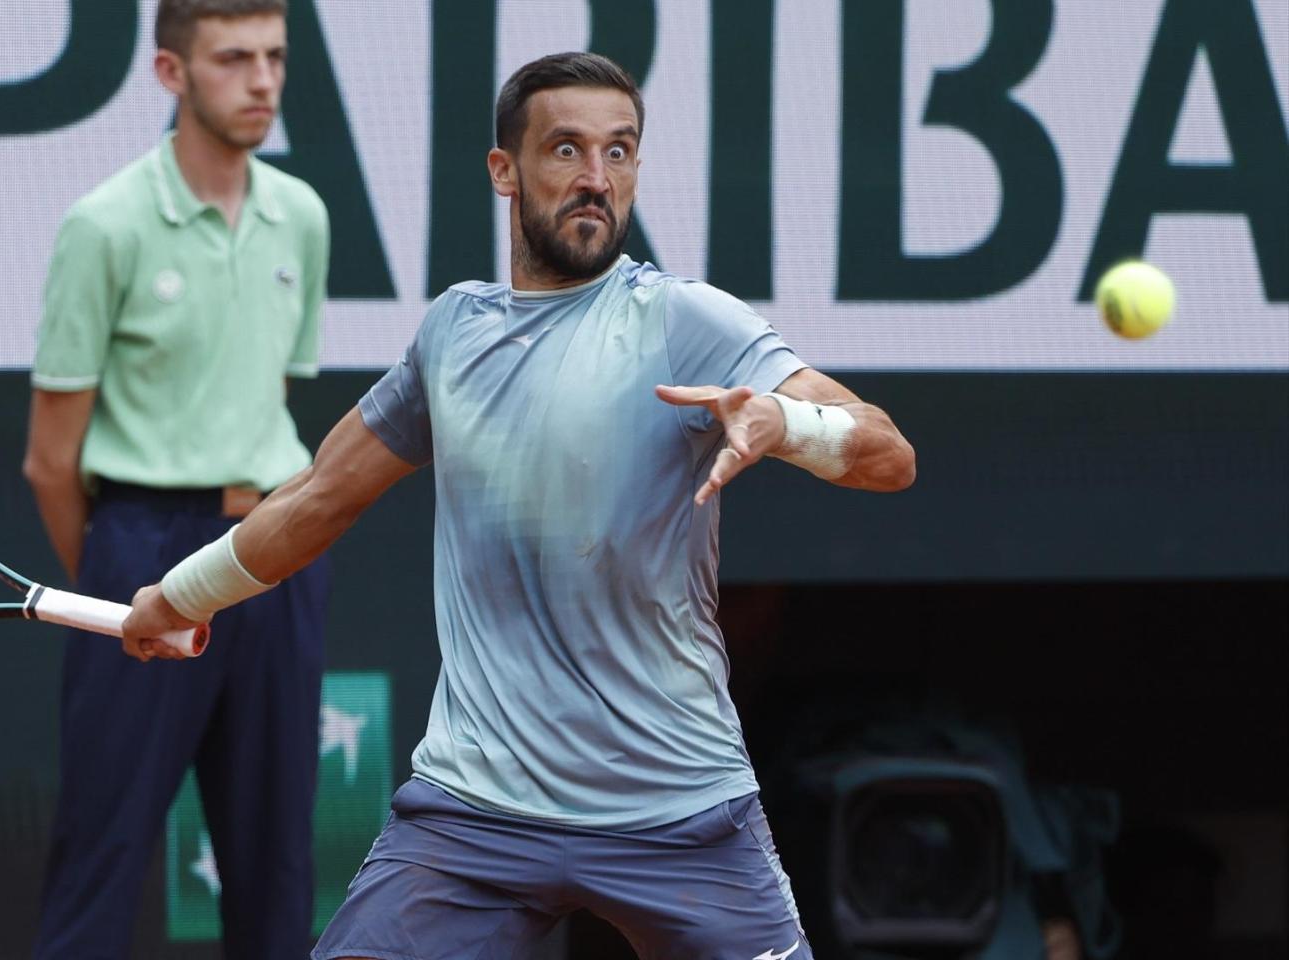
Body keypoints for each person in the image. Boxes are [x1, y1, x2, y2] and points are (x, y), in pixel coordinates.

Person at [122, 51, 916, 960]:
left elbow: (887, 453)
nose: (596, 179)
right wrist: (181, 597)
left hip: (680, 809)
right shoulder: (453, 335)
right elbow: (317, 494)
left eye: (619, 154)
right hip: (476, 815)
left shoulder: (686, 320)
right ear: (505, 170)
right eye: (567, 150)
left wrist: (784, 420)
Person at [21, 1, 331, 956]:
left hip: (274, 556)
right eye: (234, 59)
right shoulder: (103, 226)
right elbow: (49, 459)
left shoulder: (303, 217)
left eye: (274, 57)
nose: (263, 81)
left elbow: (264, 398)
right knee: (102, 858)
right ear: (171, 74)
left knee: (277, 868)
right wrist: (125, 603)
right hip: (139, 549)